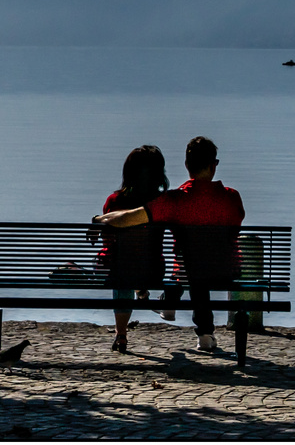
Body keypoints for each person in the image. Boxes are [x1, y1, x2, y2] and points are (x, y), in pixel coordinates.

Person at [95, 136, 244, 353]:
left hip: (190, 273)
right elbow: (236, 224)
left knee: (191, 267)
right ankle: (196, 326)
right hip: (227, 270)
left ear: (186, 165)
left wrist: (99, 219)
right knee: (197, 267)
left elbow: (131, 218)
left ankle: (172, 308)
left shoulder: (175, 200)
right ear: (214, 165)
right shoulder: (232, 198)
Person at [96, 145, 169, 352]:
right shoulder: (162, 202)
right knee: (129, 266)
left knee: (121, 268)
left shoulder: (114, 201)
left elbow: (108, 242)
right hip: (153, 270)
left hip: (120, 269)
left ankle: (121, 335)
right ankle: (141, 290)